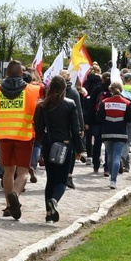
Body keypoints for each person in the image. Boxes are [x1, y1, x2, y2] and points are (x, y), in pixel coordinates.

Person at [0, 59, 41, 220]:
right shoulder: (32, 90)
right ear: (21, 73)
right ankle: (15, 196)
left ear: (7, 73)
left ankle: (9, 206)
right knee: (23, 172)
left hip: (4, 135)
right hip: (24, 135)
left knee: (8, 171)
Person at [35, 74, 82, 222]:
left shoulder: (42, 106)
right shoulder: (70, 104)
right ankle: (54, 200)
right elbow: (75, 129)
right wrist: (79, 149)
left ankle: (48, 213)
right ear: (64, 88)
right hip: (65, 145)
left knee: (50, 179)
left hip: (49, 144)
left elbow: (38, 129)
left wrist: (42, 145)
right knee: (62, 180)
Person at [96, 79, 131, 189]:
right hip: (121, 132)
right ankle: (113, 180)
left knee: (109, 155)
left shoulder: (104, 102)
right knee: (117, 156)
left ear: (111, 90)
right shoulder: (127, 103)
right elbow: (130, 118)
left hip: (107, 132)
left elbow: (99, 118)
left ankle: (110, 175)